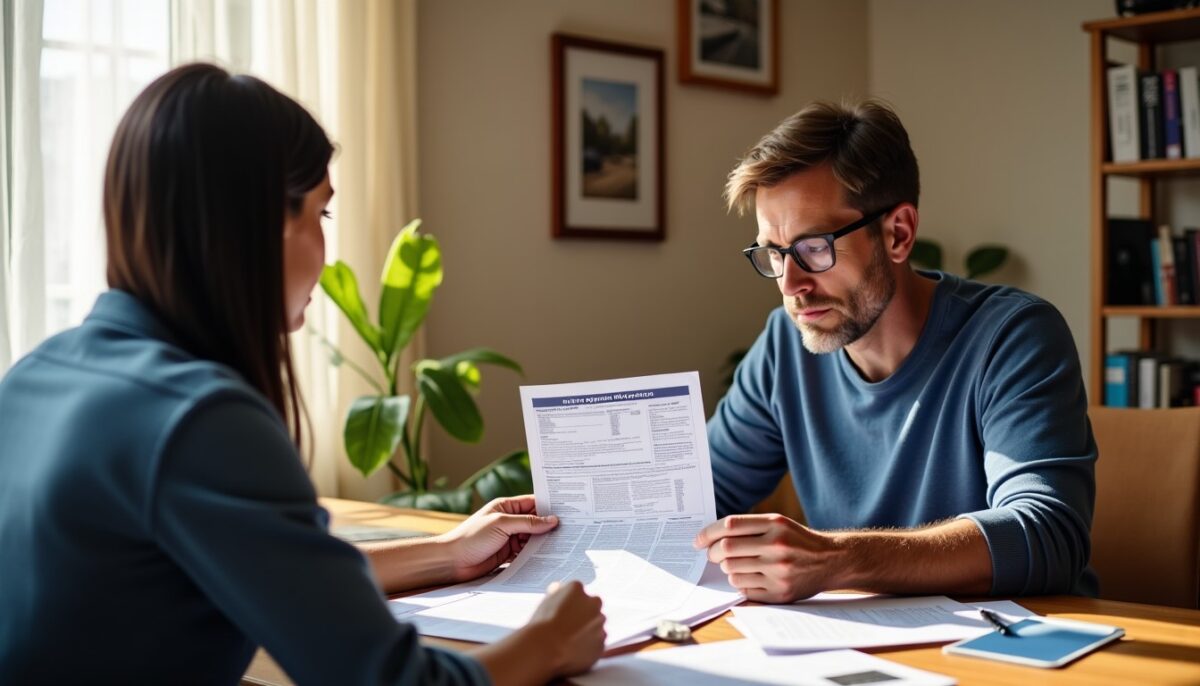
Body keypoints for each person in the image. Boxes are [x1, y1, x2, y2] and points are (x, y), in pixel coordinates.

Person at [0, 63, 604, 685]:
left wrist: (448, 554)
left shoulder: (38, 376)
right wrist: (549, 642)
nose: (324, 246)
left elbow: (273, 576)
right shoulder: (198, 419)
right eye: (320, 215)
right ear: (256, 224)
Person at [693, 99, 1098, 604]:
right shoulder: (783, 347)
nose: (790, 283)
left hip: (1018, 647)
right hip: (858, 651)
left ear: (898, 234)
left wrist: (836, 559)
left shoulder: (1012, 336)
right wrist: (571, 517)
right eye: (774, 253)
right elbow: (693, 501)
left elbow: (1047, 534)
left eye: (814, 247)